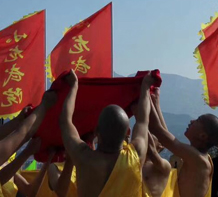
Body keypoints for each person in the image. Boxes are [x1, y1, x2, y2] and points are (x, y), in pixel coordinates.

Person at [59, 69, 156, 197]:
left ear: (96, 131)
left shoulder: (83, 157)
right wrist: (145, 88)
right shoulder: (135, 155)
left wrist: (74, 86)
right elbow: (143, 121)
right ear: (127, 133)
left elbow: (65, 121)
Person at [149, 87, 218, 197]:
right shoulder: (199, 156)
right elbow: (166, 136)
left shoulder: (198, 160)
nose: (192, 121)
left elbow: (157, 130)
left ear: (202, 136)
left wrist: (145, 94)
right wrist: (156, 103)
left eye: (197, 120)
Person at [143, 133, 172, 197]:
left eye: (151, 134)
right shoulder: (135, 161)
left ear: (160, 145)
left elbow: (152, 152)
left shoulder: (164, 165)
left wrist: (144, 126)